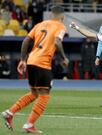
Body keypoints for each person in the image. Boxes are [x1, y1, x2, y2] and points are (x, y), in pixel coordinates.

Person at [1, 5, 69, 134]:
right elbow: (57, 42)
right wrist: (64, 58)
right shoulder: (61, 26)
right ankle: (29, 125)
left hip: (31, 61)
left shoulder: (40, 24)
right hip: (43, 63)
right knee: (44, 95)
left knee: (34, 93)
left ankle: (10, 112)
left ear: (50, 15)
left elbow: (26, 40)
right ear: (62, 16)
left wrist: (22, 59)